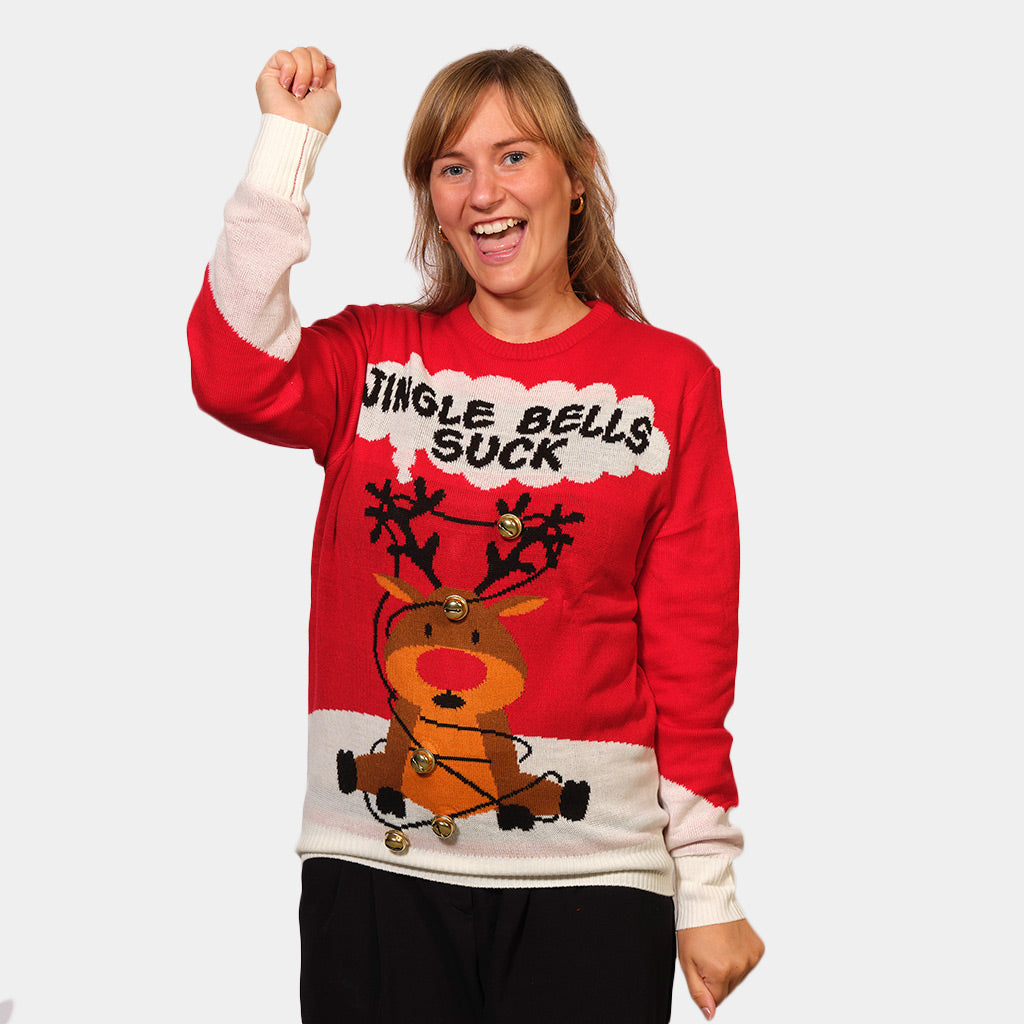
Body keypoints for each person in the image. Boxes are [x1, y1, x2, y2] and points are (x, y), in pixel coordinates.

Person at [188, 44, 764, 1023]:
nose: (483, 193)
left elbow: (690, 647)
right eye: (452, 167)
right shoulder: (370, 358)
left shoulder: (670, 381)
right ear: (432, 198)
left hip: (592, 883)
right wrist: (288, 143)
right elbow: (234, 370)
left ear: (576, 172)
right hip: (374, 865)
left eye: (514, 156)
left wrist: (708, 887)